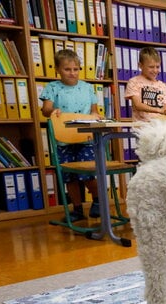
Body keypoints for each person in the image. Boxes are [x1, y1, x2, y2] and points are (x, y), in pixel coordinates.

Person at [40, 49, 101, 223]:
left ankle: (97, 201)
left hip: (85, 139)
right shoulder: (52, 88)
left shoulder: (87, 88)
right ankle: (77, 209)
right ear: (58, 69)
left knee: (88, 173)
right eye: (67, 69)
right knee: (70, 177)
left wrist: (97, 117)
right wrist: (52, 110)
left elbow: (94, 112)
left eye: (76, 69)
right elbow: (45, 110)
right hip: (63, 140)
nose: (72, 73)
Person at [124, 47, 166, 121]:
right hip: (142, 128)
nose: (155, 70)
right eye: (151, 67)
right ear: (140, 66)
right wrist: (158, 110)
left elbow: (164, 108)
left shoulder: (162, 85)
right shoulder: (134, 82)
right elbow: (137, 105)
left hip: (160, 126)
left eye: (157, 67)